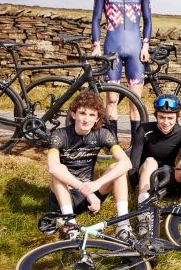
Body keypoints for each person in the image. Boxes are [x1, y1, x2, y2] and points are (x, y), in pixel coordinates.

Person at [46, 90, 133, 240]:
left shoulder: (103, 134)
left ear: (97, 118)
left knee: (117, 168)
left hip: (91, 191)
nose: (86, 119)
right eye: (82, 113)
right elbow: (52, 167)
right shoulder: (59, 135)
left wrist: (96, 184)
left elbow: (127, 163)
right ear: (74, 114)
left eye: (92, 115)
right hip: (66, 195)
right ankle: (71, 227)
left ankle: (123, 225)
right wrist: (86, 191)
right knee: (60, 169)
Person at [92, 0, 151, 137]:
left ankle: (136, 146)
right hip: (112, 49)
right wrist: (96, 46)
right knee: (111, 98)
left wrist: (146, 45)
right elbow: (95, 19)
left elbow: (148, 20)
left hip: (135, 50)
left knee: (135, 101)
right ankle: (112, 143)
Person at [128, 94, 181, 236]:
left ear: (177, 117)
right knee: (150, 161)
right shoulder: (143, 129)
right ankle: (143, 211)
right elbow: (133, 165)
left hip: (170, 177)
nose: (165, 122)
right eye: (161, 117)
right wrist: (135, 186)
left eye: (170, 118)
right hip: (147, 178)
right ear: (156, 116)